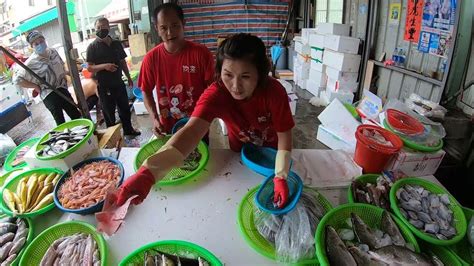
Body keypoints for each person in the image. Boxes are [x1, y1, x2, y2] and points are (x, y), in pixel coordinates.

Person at [116, 34, 294, 209]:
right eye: (228, 75)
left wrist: (280, 175)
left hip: (274, 155)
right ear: (220, 72)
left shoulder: (274, 92)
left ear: (261, 73)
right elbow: (191, 132)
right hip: (238, 155)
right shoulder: (217, 93)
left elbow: (285, 137)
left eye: (245, 77)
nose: (235, 86)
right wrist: (148, 173)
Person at [138, 3, 214, 136]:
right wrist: (155, 119)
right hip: (167, 129)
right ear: (156, 28)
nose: (169, 33)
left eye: (175, 25)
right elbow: (146, 91)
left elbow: (212, 88)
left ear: (183, 23)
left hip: (198, 126)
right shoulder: (151, 59)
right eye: (163, 28)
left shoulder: (201, 53)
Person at [13, 31, 81, 125]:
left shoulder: (53, 52)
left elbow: (61, 66)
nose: (40, 44)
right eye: (36, 44)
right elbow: (17, 80)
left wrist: (69, 73)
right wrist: (35, 86)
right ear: (32, 47)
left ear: (45, 41)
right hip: (49, 94)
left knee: (75, 114)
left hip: (61, 88)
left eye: (41, 41)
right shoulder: (31, 62)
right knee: (60, 122)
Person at [86, 17, 140, 136]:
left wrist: (129, 78)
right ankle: (112, 136)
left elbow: (122, 62)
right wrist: (104, 66)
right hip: (104, 86)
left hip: (118, 82)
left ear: (109, 27)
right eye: (98, 28)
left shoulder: (116, 43)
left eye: (103, 26)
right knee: (108, 113)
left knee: (124, 108)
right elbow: (89, 68)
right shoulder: (92, 47)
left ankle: (128, 130)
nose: (101, 29)